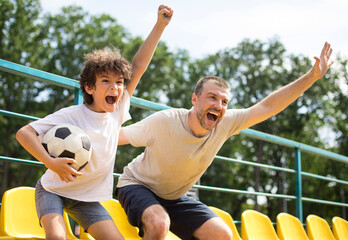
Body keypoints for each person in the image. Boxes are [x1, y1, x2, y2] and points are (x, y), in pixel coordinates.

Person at [115, 42, 334, 240]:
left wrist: (311, 76)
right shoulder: (165, 122)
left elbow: (267, 107)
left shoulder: (226, 122)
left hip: (173, 198)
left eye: (224, 101)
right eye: (212, 97)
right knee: (159, 223)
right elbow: (115, 137)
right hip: (137, 185)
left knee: (223, 235)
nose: (219, 105)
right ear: (195, 99)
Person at [16, 5, 173, 240]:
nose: (115, 87)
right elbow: (24, 133)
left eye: (119, 82)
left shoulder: (117, 110)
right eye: (106, 81)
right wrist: (51, 162)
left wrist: (160, 25)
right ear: (89, 87)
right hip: (52, 191)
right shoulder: (72, 114)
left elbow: (138, 66)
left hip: (85, 199)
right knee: (57, 237)